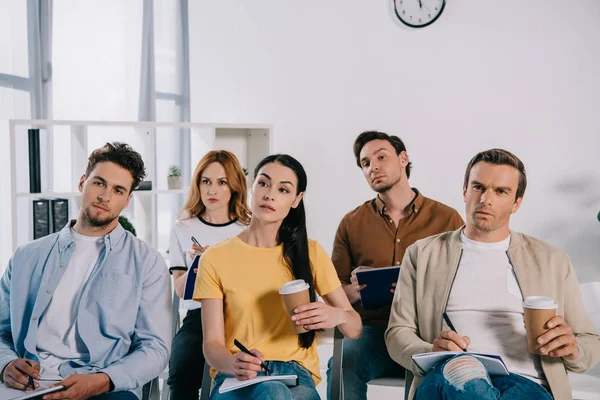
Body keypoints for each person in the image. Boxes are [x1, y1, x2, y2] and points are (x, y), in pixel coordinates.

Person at [386, 148, 600, 400]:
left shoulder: (552, 260)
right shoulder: (423, 254)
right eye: (478, 187)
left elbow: (589, 341)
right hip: (447, 374)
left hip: (527, 382)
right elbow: (397, 332)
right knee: (463, 371)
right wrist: (430, 349)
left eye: (501, 191)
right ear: (465, 191)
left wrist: (573, 349)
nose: (486, 199)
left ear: (516, 203)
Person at [0, 142, 172, 400]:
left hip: (105, 383)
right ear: (83, 182)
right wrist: (5, 364)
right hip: (30, 385)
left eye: (118, 190)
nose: (105, 196)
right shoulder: (26, 257)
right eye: (99, 183)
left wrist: (103, 381)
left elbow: (155, 348)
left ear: (127, 200)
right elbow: (2, 331)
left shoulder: (147, 262)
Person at [195, 154, 362, 400]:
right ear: (251, 187)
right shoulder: (215, 257)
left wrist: (335, 314)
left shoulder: (311, 252)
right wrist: (234, 363)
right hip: (237, 377)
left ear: (297, 200)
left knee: (274, 391)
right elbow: (212, 345)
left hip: (295, 376)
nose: (269, 195)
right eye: (263, 183)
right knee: (271, 391)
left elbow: (355, 328)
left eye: (283, 189)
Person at [327, 131, 463, 399]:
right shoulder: (352, 223)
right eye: (365, 163)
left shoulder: (447, 219)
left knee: (444, 370)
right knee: (343, 363)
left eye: (381, 157)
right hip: (373, 332)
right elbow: (333, 293)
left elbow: (466, 282)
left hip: (427, 331)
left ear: (403, 159)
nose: (373, 167)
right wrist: (357, 289)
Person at [168, 150, 250, 400]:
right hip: (198, 318)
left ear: (234, 186)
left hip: (242, 318)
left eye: (221, 182)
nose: (212, 190)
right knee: (181, 370)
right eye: (206, 182)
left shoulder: (249, 227)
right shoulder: (183, 228)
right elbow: (181, 290)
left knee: (244, 375)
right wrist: (199, 264)